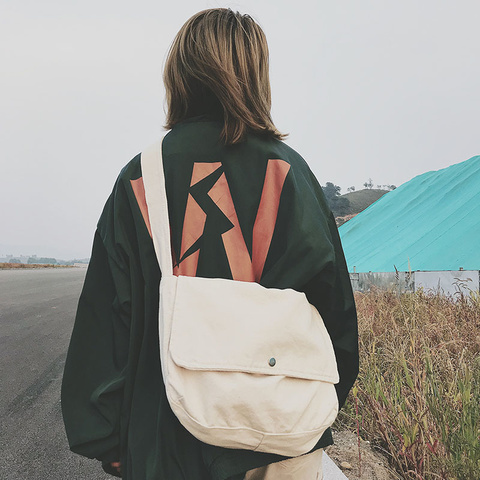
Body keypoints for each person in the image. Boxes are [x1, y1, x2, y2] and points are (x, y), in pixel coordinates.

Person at [61, 8, 359, 480]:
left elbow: (107, 317)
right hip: (278, 434)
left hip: (164, 435)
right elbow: (335, 312)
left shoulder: (141, 176)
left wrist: (107, 437)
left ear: (179, 74)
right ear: (256, 75)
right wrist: (316, 407)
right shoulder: (291, 173)